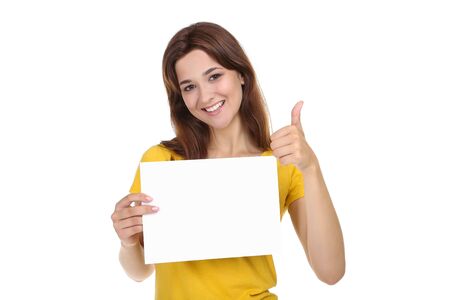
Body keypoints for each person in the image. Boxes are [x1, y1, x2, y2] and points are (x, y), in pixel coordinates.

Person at [111, 22, 345, 299]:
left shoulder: (281, 164)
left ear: (242, 75)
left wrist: (311, 167)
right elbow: (140, 272)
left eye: (214, 76)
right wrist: (128, 243)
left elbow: (331, 272)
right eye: (189, 87)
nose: (205, 96)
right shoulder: (162, 161)